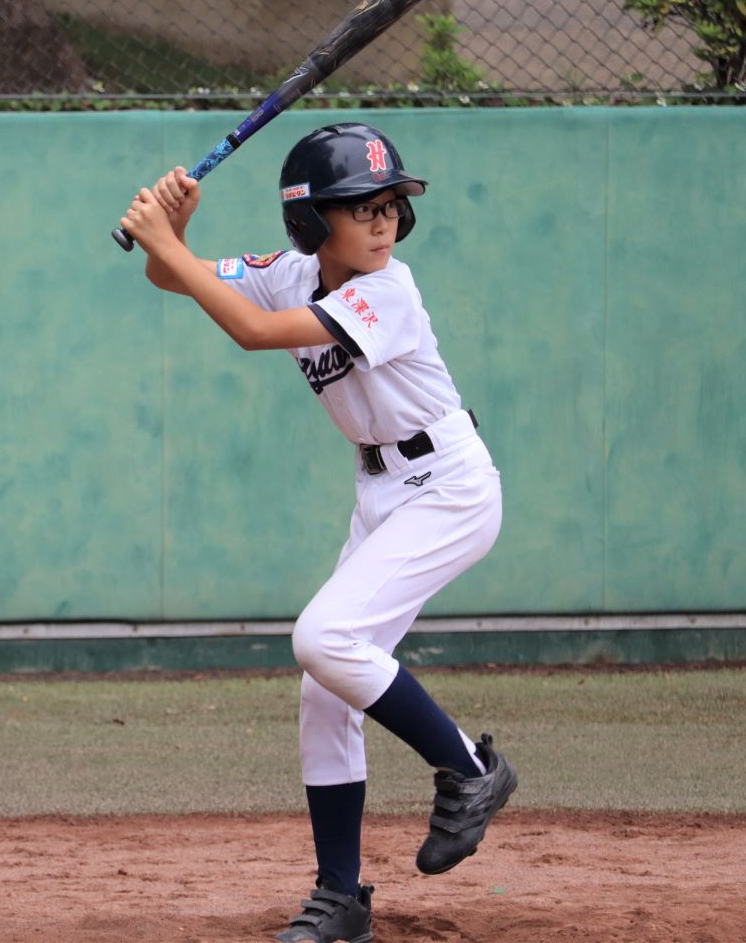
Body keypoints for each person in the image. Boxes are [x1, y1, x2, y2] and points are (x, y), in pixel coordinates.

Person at [120, 123, 516, 943]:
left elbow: (254, 332)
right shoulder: (290, 272)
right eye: (359, 208)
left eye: (390, 206)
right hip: (383, 491)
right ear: (309, 223)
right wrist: (176, 236)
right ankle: (341, 899)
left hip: (449, 487)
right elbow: (172, 279)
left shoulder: (389, 290)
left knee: (324, 639)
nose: (382, 223)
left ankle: (470, 770)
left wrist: (167, 240)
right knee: (326, 685)